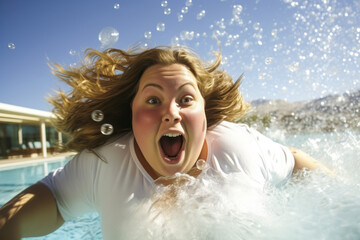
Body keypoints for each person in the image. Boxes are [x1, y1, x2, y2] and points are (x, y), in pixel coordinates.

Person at [0, 46, 331, 239]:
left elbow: (294, 159)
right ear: (132, 114)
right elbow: (52, 200)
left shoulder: (238, 147)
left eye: (186, 99)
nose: (171, 113)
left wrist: (339, 194)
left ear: (205, 114)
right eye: (153, 100)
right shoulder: (106, 164)